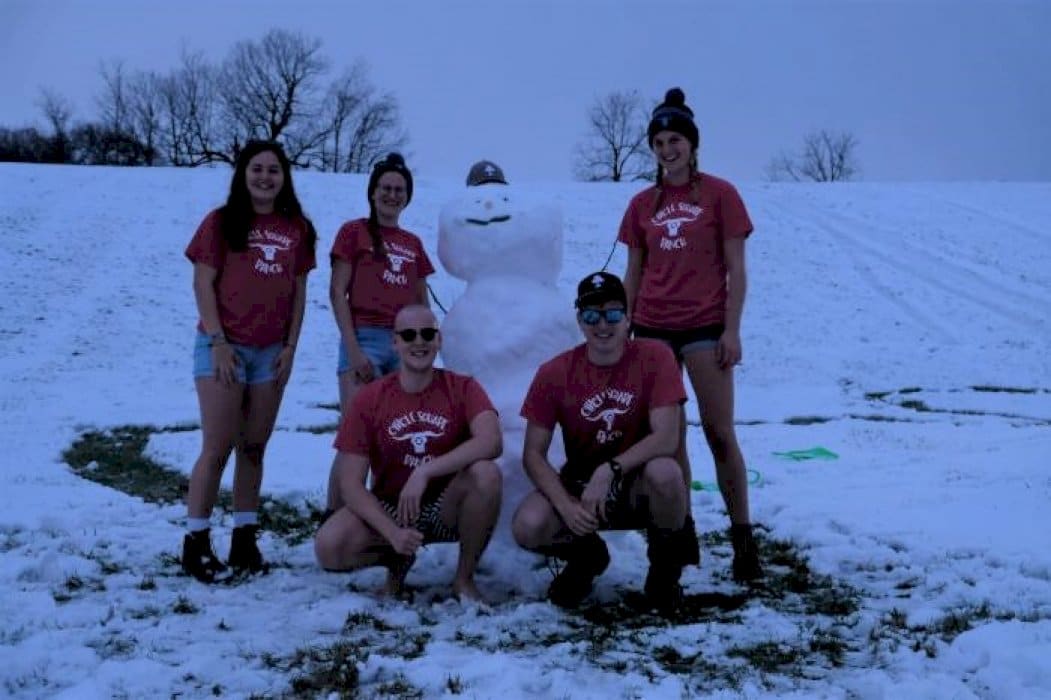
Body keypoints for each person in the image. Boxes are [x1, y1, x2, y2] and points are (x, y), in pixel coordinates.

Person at [618, 87, 762, 583]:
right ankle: (682, 532)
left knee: (721, 433)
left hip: (705, 327)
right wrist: (624, 328)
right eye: (659, 142)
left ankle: (743, 538)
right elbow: (633, 271)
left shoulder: (721, 195)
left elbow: (737, 270)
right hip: (653, 330)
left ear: (692, 144)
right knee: (669, 439)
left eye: (675, 139)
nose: (667, 149)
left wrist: (732, 329)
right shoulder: (641, 204)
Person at [511, 272, 695, 611]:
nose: (602, 325)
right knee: (527, 524)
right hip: (582, 488)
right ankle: (587, 557)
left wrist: (610, 470)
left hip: (638, 483)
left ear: (628, 318)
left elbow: (666, 437)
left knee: (667, 473)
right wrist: (566, 506)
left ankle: (664, 574)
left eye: (612, 314)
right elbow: (533, 455)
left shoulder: (655, 357)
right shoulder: (554, 372)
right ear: (580, 321)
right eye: (591, 316)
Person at [182, 140, 317, 583]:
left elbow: (298, 294)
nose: (265, 177)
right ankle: (196, 543)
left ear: (284, 177)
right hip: (224, 347)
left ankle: (244, 538)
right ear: (243, 174)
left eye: (273, 170)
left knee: (254, 447)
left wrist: (291, 348)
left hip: (269, 354)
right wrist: (218, 340)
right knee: (217, 447)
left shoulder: (297, 229)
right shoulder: (221, 223)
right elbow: (204, 284)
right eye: (257, 169)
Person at [315, 305, 503, 602]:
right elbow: (350, 484)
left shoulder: (462, 387)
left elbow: (491, 441)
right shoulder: (370, 398)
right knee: (329, 545)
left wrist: (426, 471)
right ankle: (397, 558)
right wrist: (392, 532)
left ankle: (464, 579)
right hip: (392, 507)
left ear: (439, 340)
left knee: (486, 474)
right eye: (409, 335)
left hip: (446, 505)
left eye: (428, 334)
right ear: (395, 342)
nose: (419, 342)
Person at [326, 153, 434, 509]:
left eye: (399, 189)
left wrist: (423, 348)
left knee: (394, 437)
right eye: (385, 188)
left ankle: (379, 515)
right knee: (355, 437)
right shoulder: (353, 233)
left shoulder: (413, 244)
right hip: (365, 338)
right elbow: (337, 292)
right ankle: (335, 515)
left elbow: (421, 304)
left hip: (404, 343)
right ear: (372, 193)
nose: (392, 195)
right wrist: (354, 350)